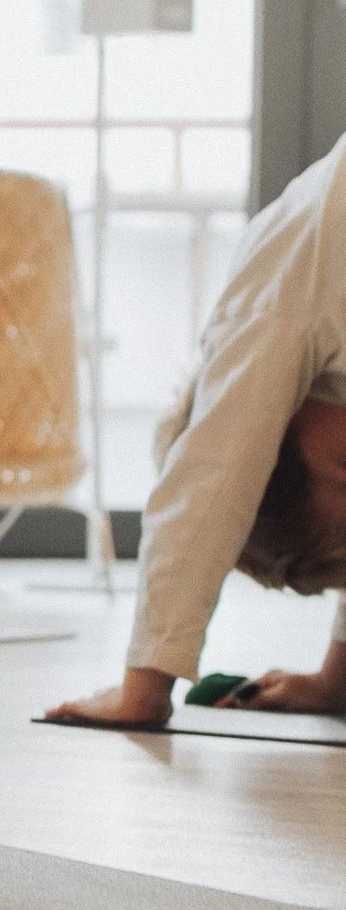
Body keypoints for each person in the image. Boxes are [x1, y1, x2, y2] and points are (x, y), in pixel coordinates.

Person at [47, 134, 346, 727]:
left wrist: (145, 686)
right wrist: (337, 681)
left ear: (273, 437)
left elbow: (211, 473)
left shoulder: (282, 287)